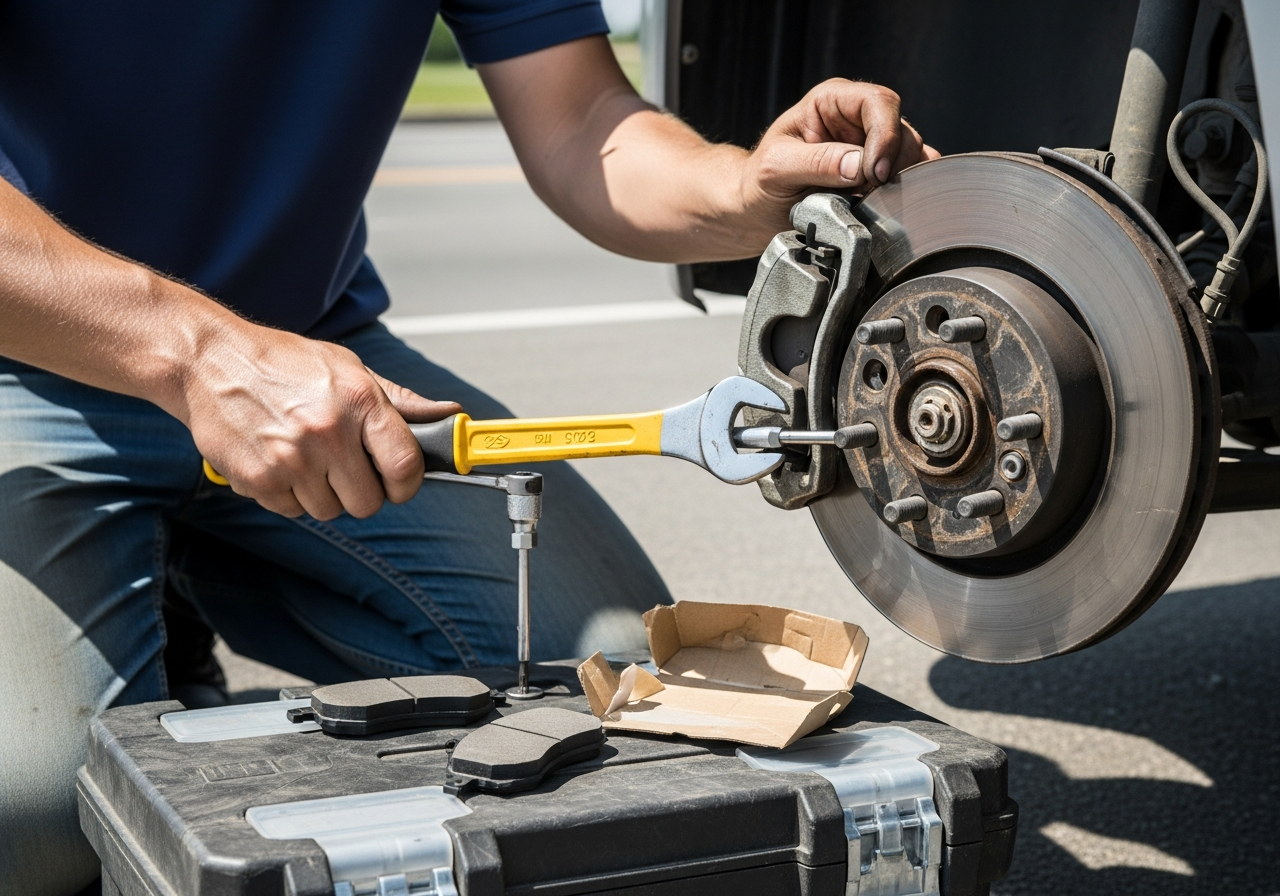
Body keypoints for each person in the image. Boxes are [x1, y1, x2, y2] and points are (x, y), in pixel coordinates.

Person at [0, 3, 936, 892]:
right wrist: (202, 354)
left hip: (328, 366)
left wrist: (742, 188)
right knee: (36, 817)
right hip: (34, 360)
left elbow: (582, 122)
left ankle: (184, 572)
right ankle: (156, 595)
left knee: (611, 686)